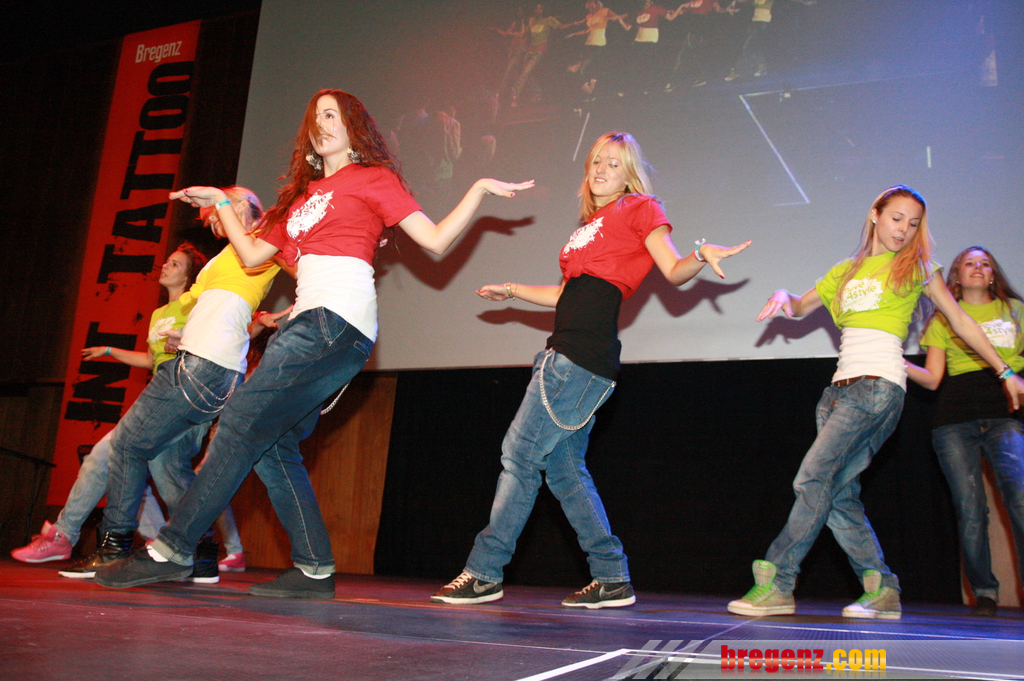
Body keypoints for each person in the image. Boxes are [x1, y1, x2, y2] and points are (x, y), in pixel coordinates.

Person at [94, 88, 533, 599]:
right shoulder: (299, 200)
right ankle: (314, 568)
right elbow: (252, 255)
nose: (321, 124)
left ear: (353, 128)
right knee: (272, 446)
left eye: (331, 115)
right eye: (315, 117)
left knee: (239, 422)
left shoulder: (373, 178)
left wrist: (476, 188)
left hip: (335, 320)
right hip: (310, 322)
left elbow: (434, 240)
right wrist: (221, 202)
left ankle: (173, 549)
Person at [432, 131, 750, 609]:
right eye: (597, 161)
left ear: (629, 175)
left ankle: (484, 572)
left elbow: (673, 269)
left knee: (519, 457)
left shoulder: (640, 207)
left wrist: (701, 256)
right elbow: (567, 294)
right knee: (564, 472)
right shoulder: (592, 224)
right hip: (569, 355)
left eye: (614, 164)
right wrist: (512, 290)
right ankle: (611, 577)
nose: (602, 170)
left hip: (578, 358)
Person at [728, 186, 1024, 620]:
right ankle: (882, 587)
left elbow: (961, 321)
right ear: (875, 215)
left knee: (812, 478)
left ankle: (778, 581)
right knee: (838, 495)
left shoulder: (917, 267)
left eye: (913, 223)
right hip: (837, 393)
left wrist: (1004, 371)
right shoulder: (844, 271)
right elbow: (800, 306)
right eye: (897, 218)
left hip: (877, 387)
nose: (904, 229)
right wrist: (782, 296)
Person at [62, 187, 280, 579]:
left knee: (127, 444)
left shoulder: (262, 240)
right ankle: (202, 552)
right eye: (210, 219)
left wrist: (218, 198)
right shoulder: (225, 258)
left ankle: (114, 546)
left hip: (203, 367)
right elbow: (212, 309)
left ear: (242, 206)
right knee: (168, 461)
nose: (213, 222)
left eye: (216, 214)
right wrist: (184, 334)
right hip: (209, 365)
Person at [12, 245, 207, 567]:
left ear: (189, 275)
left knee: (168, 476)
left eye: (175, 264)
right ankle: (64, 535)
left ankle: (194, 544)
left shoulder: (196, 305)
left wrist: (184, 341)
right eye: (167, 261)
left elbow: (209, 346)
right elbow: (150, 359)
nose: (165, 266)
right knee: (102, 458)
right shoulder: (159, 314)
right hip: (157, 394)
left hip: (184, 396)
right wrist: (109, 351)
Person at [906, 246, 1024, 617]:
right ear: (955, 276)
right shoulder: (943, 317)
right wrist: (892, 358)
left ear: (993, 275)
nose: (977, 267)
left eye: (985, 263)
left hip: (1005, 416)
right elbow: (932, 378)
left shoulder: (1015, 311)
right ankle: (985, 592)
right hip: (954, 421)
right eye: (969, 263)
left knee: (1020, 500)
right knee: (970, 510)